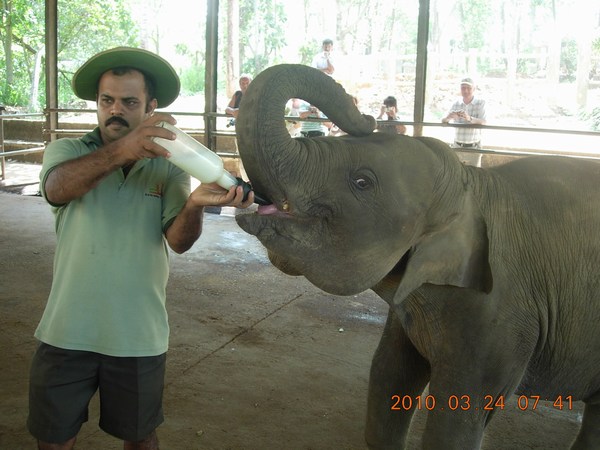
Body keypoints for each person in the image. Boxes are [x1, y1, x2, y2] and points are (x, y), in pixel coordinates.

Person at [27, 47, 254, 450]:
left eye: (129, 102)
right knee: (54, 439)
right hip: (66, 331)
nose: (116, 110)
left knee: (141, 438)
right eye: (107, 100)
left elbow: (179, 242)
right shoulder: (67, 152)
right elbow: (56, 189)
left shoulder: (169, 167)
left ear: (150, 107)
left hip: (138, 335)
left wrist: (196, 204)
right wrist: (125, 149)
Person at [441, 77, 487, 148]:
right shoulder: (456, 104)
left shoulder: (481, 103)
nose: (465, 91)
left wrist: (469, 118)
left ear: (474, 89)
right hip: (457, 145)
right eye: (463, 88)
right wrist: (449, 117)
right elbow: (443, 121)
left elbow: (484, 121)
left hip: (474, 146)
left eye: (469, 88)